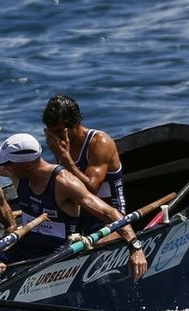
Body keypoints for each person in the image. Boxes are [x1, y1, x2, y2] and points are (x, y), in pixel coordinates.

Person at [0, 133, 147, 280]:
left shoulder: (65, 183)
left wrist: (135, 247)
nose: (4, 168)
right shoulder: (17, 173)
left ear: (27, 165)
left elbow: (109, 213)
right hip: (25, 247)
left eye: (7, 165)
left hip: (56, 253)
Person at [42, 93, 127, 234]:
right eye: (50, 133)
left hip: (110, 215)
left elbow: (91, 189)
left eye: (58, 132)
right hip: (81, 213)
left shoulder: (100, 143)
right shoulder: (61, 142)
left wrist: (65, 158)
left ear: (75, 124)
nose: (54, 138)